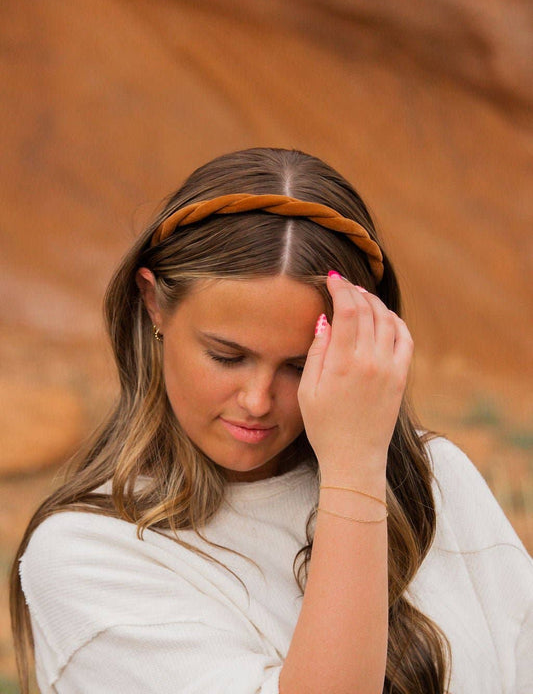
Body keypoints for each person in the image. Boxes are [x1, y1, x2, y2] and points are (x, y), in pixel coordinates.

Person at [10, 147, 533, 694]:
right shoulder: (86, 553)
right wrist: (353, 469)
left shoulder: (436, 479)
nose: (258, 400)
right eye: (227, 356)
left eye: (300, 366)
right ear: (153, 304)